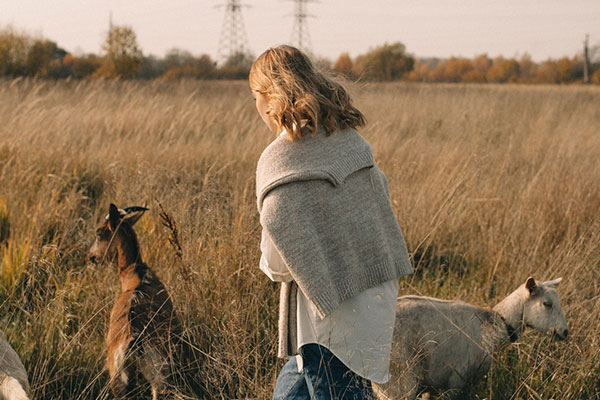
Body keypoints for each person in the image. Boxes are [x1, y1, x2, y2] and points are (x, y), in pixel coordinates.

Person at [250, 45, 413, 400]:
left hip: (325, 317)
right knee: (295, 387)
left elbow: (278, 265)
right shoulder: (351, 139)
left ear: (268, 98)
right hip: (373, 295)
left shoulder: (278, 159)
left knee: (336, 387)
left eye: (255, 97)